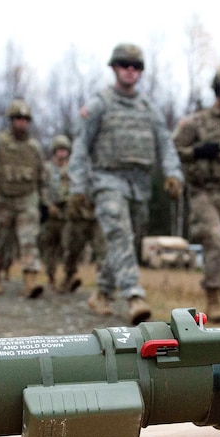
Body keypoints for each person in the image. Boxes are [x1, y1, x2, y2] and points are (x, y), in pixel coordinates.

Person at [69, 42, 184, 325]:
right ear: (114, 68)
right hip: (107, 179)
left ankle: (102, 294)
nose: (130, 71)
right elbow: (81, 146)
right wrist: (78, 187)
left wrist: (173, 174)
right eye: (124, 66)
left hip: (140, 184)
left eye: (136, 67)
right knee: (120, 234)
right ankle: (134, 296)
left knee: (125, 242)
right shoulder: (100, 104)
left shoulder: (149, 109)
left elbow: (165, 145)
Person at [172, 66, 220, 324]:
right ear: (219, 93)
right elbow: (174, 151)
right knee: (216, 241)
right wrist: (198, 152)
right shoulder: (196, 122)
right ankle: (213, 296)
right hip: (203, 192)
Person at [0, 99, 50, 299]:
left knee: (29, 241)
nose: (21, 123)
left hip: (27, 200)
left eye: (25, 119)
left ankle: (30, 282)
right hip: (2, 201)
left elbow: (42, 176)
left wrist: (44, 202)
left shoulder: (34, 147)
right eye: (17, 119)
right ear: (11, 120)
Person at [40, 135, 72, 292]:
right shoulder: (46, 168)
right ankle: (51, 275)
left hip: (67, 213)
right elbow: (42, 188)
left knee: (68, 245)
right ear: (54, 151)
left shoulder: (72, 168)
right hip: (50, 213)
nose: (62, 153)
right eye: (60, 150)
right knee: (49, 247)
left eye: (65, 150)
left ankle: (68, 277)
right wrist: (47, 204)